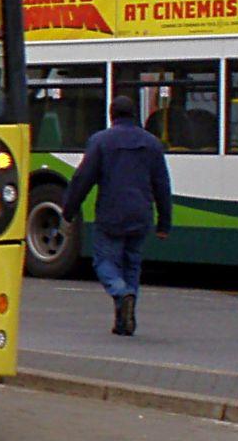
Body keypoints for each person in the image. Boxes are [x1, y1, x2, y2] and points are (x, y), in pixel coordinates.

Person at [61, 94, 173, 336]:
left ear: (112, 115)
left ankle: (121, 293)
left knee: (104, 262)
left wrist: (68, 210)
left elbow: (82, 179)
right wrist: (164, 223)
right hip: (141, 214)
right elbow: (162, 184)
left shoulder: (101, 141)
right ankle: (124, 321)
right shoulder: (152, 143)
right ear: (135, 114)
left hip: (111, 214)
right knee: (132, 264)